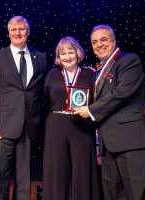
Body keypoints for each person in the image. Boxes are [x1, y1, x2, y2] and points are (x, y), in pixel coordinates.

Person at [74, 24, 145, 199]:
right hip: (107, 145)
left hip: (131, 142)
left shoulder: (129, 61)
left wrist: (90, 109)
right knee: (113, 195)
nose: (99, 45)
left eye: (103, 40)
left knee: (137, 195)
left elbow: (122, 92)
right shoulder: (97, 72)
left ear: (113, 41)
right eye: (94, 42)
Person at [0, 16, 47, 199]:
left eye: (21, 29)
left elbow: (40, 92)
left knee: (24, 177)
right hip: (2, 127)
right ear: (9, 32)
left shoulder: (40, 57)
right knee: (0, 178)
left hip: (29, 126)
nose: (18, 33)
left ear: (27, 32)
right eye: (14, 30)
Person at [42, 36, 99, 200]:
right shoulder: (52, 74)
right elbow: (42, 101)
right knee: (57, 171)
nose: (67, 56)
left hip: (81, 125)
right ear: (58, 57)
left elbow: (99, 101)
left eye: (70, 52)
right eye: (63, 53)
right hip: (56, 125)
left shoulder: (89, 74)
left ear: (78, 53)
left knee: (82, 170)